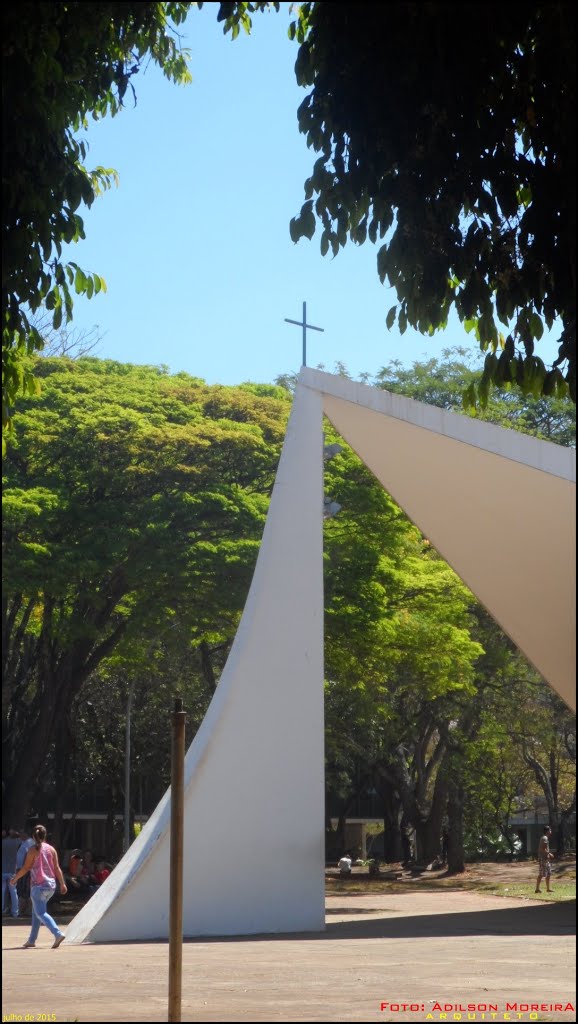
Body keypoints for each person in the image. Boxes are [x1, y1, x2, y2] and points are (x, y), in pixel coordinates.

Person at [10, 824, 67, 948]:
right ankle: (32, 940)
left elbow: (26, 868)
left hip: (38, 887)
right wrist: (62, 883)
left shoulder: (32, 850)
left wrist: (15, 879)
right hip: (50, 886)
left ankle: (57, 933)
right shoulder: (51, 849)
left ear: (33, 836)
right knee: (36, 912)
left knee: (40, 913)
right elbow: (57, 868)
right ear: (45, 835)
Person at [2, 827, 22, 918]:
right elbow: (21, 837)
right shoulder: (16, 842)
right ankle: (15, 912)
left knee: (2, 891)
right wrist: (15, 833)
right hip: (12, 870)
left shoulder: (3, 842)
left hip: (3, 870)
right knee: (13, 891)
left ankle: (2, 909)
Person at [535, 825, 554, 894]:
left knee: (548, 873)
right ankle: (537, 889)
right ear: (547, 831)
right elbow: (543, 848)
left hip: (546, 859)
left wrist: (548, 855)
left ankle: (548, 888)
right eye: (550, 830)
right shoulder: (544, 838)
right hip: (543, 858)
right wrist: (549, 854)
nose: (551, 831)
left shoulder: (545, 838)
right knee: (541, 874)